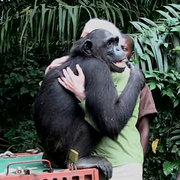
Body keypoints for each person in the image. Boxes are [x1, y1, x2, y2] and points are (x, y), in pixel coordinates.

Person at [46, 18, 157, 179]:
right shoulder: (88, 68)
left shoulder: (122, 73)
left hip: (120, 162)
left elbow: (111, 120)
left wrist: (81, 95)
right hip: (96, 160)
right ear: (88, 46)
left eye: (117, 44)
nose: (118, 51)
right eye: (109, 44)